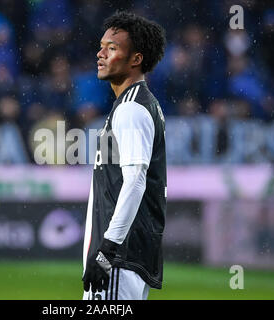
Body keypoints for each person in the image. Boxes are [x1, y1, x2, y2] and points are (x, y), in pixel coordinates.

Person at [82, 11, 167, 300]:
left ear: (136, 59)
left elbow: (135, 182)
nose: (100, 53)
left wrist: (106, 252)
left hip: (119, 258)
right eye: (102, 45)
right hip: (126, 257)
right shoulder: (138, 105)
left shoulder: (132, 109)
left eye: (112, 48)